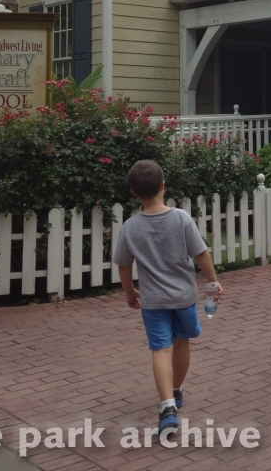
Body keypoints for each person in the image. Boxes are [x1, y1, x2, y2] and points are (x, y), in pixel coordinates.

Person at [114, 159, 222, 433]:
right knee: (181, 342)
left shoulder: (130, 227)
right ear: (163, 186)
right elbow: (201, 253)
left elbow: (124, 264)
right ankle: (176, 390)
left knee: (160, 348)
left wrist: (130, 293)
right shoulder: (181, 218)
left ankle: (167, 407)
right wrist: (213, 281)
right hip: (183, 297)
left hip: (152, 302)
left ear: (132, 192)